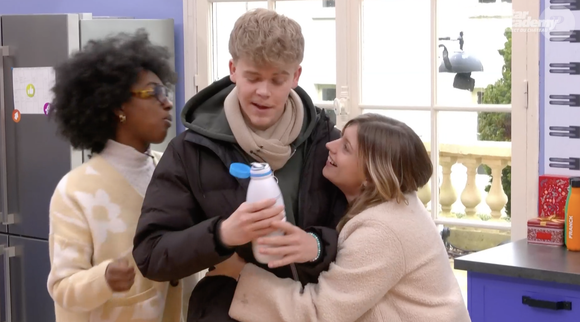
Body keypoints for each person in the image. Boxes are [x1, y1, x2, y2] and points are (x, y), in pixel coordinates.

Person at [132, 8, 347, 322]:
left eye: (277, 79)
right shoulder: (189, 151)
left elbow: (362, 238)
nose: (263, 91)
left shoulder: (328, 145)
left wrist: (315, 245)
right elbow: (151, 255)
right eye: (253, 77)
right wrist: (221, 234)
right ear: (233, 69)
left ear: (296, 76)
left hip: (310, 312)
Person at [211, 114, 472, 322]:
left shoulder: (381, 230)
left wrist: (242, 274)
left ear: (372, 176)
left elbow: (319, 313)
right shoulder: (397, 205)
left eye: (345, 147)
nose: (329, 145)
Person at [46, 30, 191, 321]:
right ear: (117, 106)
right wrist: (105, 279)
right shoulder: (75, 191)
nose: (168, 103)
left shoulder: (173, 170)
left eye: (167, 93)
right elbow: (62, 287)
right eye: (154, 93)